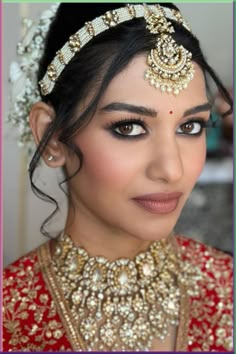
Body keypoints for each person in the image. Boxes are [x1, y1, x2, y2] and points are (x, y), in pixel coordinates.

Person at [3, 3, 233, 352]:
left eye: (191, 126)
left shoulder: (228, 289)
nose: (172, 170)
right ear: (51, 136)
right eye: (129, 127)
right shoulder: (9, 317)